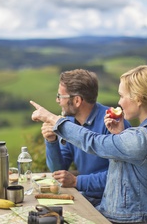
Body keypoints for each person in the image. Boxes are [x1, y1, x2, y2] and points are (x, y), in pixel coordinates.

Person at [30, 65, 147, 224]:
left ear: (139, 98)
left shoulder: (145, 138)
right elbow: (129, 168)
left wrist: (54, 120)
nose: (119, 102)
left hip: (132, 218)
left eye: (121, 96)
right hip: (122, 212)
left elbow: (94, 142)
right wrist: (120, 135)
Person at [40, 68, 130, 207]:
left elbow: (120, 176)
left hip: (110, 202)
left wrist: (77, 181)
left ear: (77, 100)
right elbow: (58, 169)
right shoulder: (70, 123)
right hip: (86, 197)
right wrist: (52, 141)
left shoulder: (113, 123)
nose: (57, 100)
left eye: (60, 96)